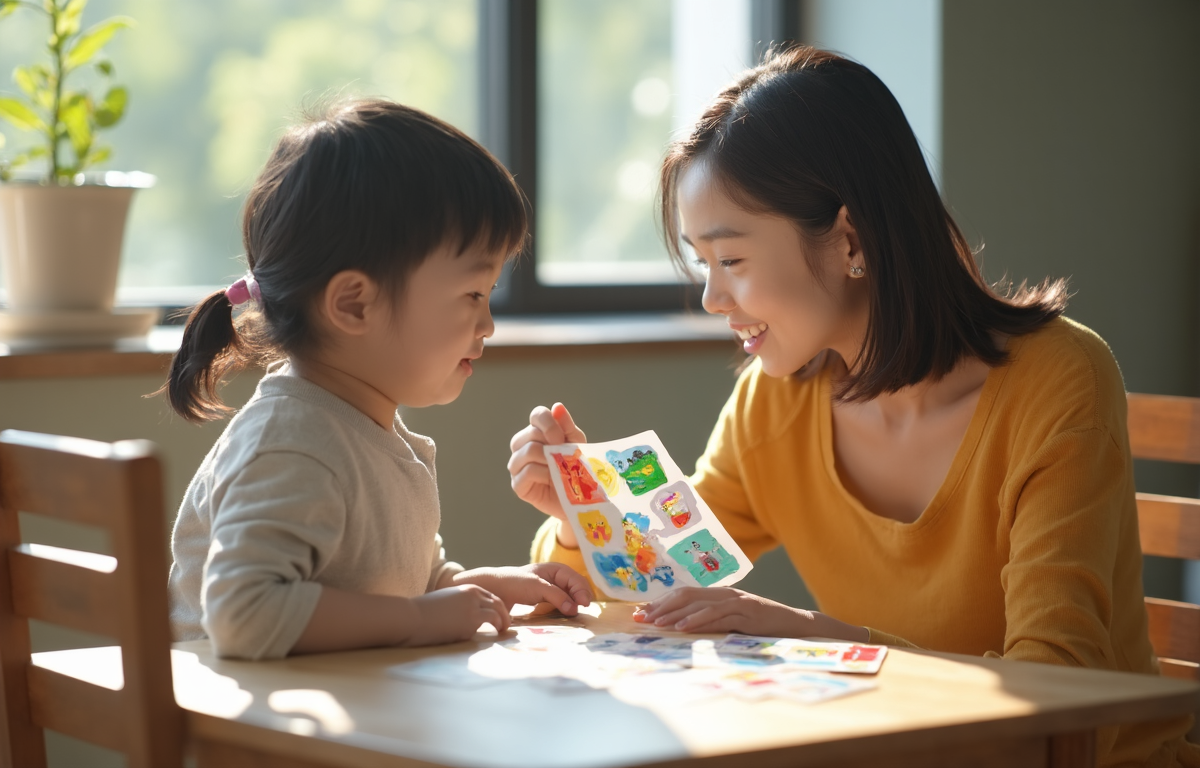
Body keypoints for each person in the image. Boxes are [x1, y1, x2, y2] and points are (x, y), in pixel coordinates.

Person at [507, 47, 1194, 766]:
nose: (711, 298)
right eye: (703, 263)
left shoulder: (1058, 382)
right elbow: (653, 594)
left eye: (731, 260)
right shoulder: (776, 401)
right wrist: (581, 517)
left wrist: (813, 637)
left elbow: (1055, 709)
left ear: (850, 239)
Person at [164, 99, 591, 661]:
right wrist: (420, 618)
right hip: (237, 713)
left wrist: (479, 586)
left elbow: (390, 587)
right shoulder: (293, 442)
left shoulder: (369, 432)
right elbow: (243, 615)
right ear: (354, 305)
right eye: (472, 294)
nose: (487, 324)